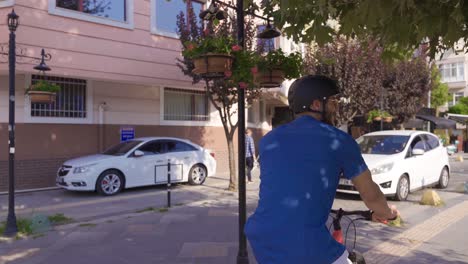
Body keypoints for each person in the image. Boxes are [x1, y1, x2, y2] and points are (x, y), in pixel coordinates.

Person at [245, 75, 399, 264]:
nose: (337, 108)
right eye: (334, 102)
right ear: (317, 104)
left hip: (261, 236)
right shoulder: (339, 141)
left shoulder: (269, 140)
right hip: (304, 242)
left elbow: (285, 183)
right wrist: (386, 213)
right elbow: (371, 196)